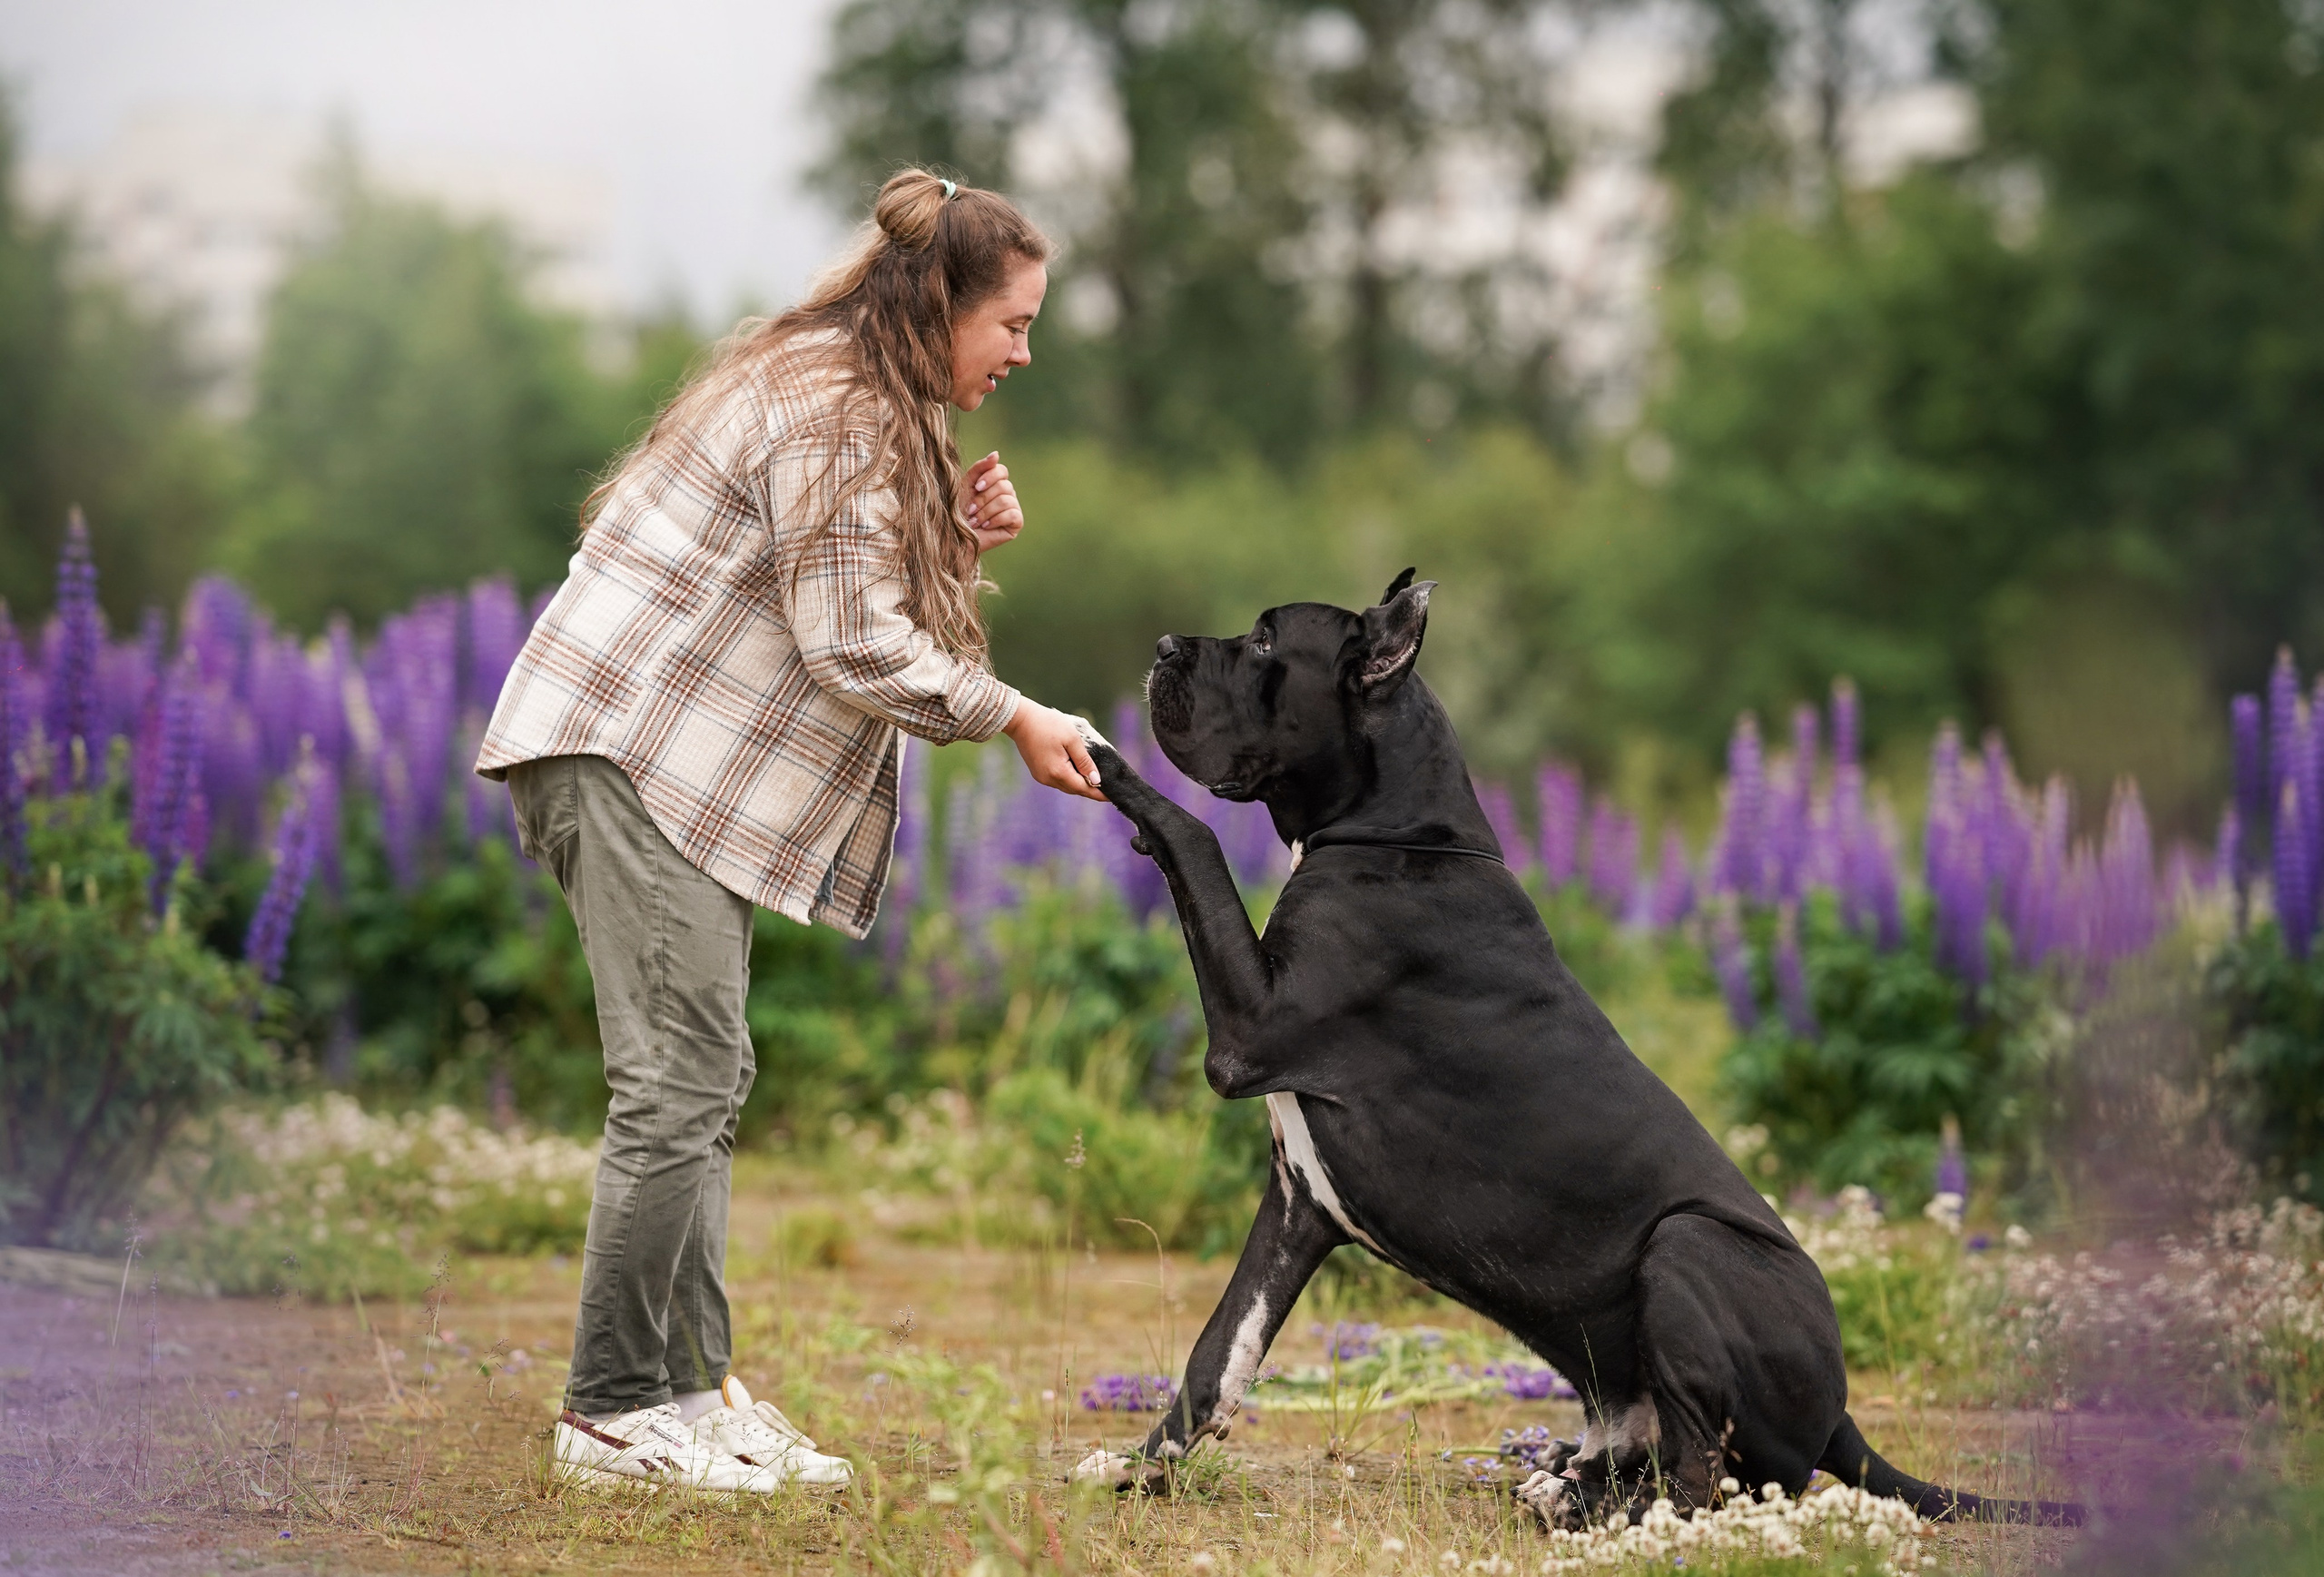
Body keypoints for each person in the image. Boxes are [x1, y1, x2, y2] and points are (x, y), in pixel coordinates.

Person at [474, 169, 1104, 1493]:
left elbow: (845, 596)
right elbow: (854, 643)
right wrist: (1015, 714)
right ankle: (607, 1410)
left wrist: (963, 537)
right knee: (679, 1084)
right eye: (1014, 323)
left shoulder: (858, 393)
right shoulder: (833, 406)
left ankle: (685, 1393)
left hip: (661, 762)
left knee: (706, 1077)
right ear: (942, 303)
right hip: (629, 748)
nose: (1023, 353)